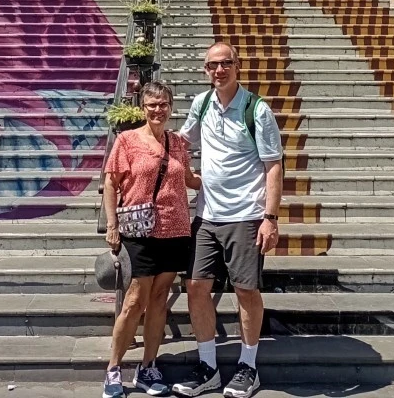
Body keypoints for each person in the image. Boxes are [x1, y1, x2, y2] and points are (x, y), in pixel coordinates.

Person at [173, 43, 283, 398]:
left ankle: (248, 368)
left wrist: (271, 218)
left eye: (225, 64)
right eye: (211, 65)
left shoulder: (257, 109)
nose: (218, 70)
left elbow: (274, 165)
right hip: (207, 214)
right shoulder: (201, 104)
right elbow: (180, 141)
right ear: (205, 70)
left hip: (246, 215)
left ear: (238, 66)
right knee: (195, 286)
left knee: (246, 291)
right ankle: (208, 368)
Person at [102, 81, 202, 398]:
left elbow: (190, 179)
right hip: (140, 232)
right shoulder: (127, 140)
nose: (158, 110)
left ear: (171, 108)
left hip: (175, 231)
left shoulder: (177, 144)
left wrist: (228, 176)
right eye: (152, 104)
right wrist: (112, 225)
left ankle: (148, 367)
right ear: (143, 108)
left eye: (163, 104)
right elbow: (110, 183)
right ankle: (113, 369)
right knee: (134, 301)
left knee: (160, 300)